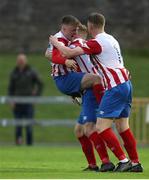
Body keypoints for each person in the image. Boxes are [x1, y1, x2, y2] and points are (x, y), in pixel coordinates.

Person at [49, 13, 143, 172]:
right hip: (126, 83)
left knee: (100, 127)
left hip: (114, 86)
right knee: (122, 127)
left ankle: (123, 160)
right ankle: (135, 163)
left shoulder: (95, 42)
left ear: (90, 26)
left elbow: (67, 53)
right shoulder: (112, 39)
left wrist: (54, 42)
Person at [46, 16, 113, 172]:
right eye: (73, 31)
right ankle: (94, 164)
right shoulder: (71, 42)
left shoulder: (78, 44)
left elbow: (54, 54)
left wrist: (55, 47)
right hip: (82, 86)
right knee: (81, 130)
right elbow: (51, 54)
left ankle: (106, 162)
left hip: (90, 87)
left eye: (76, 32)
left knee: (87, 128)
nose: (74, 35)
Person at [8, 53, 43, 145]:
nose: (21, 62)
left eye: (22, 60)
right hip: (17, 103)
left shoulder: (31, 71)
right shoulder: (14, 73)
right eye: (19, 60)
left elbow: (40, 84)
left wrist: (36, 97)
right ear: (17, 61)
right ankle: (18, 144)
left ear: (25, 61)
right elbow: (10, 88)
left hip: (28, 103)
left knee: (29, 125)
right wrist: (11, 100)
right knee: (18, 125)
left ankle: (29, 145)